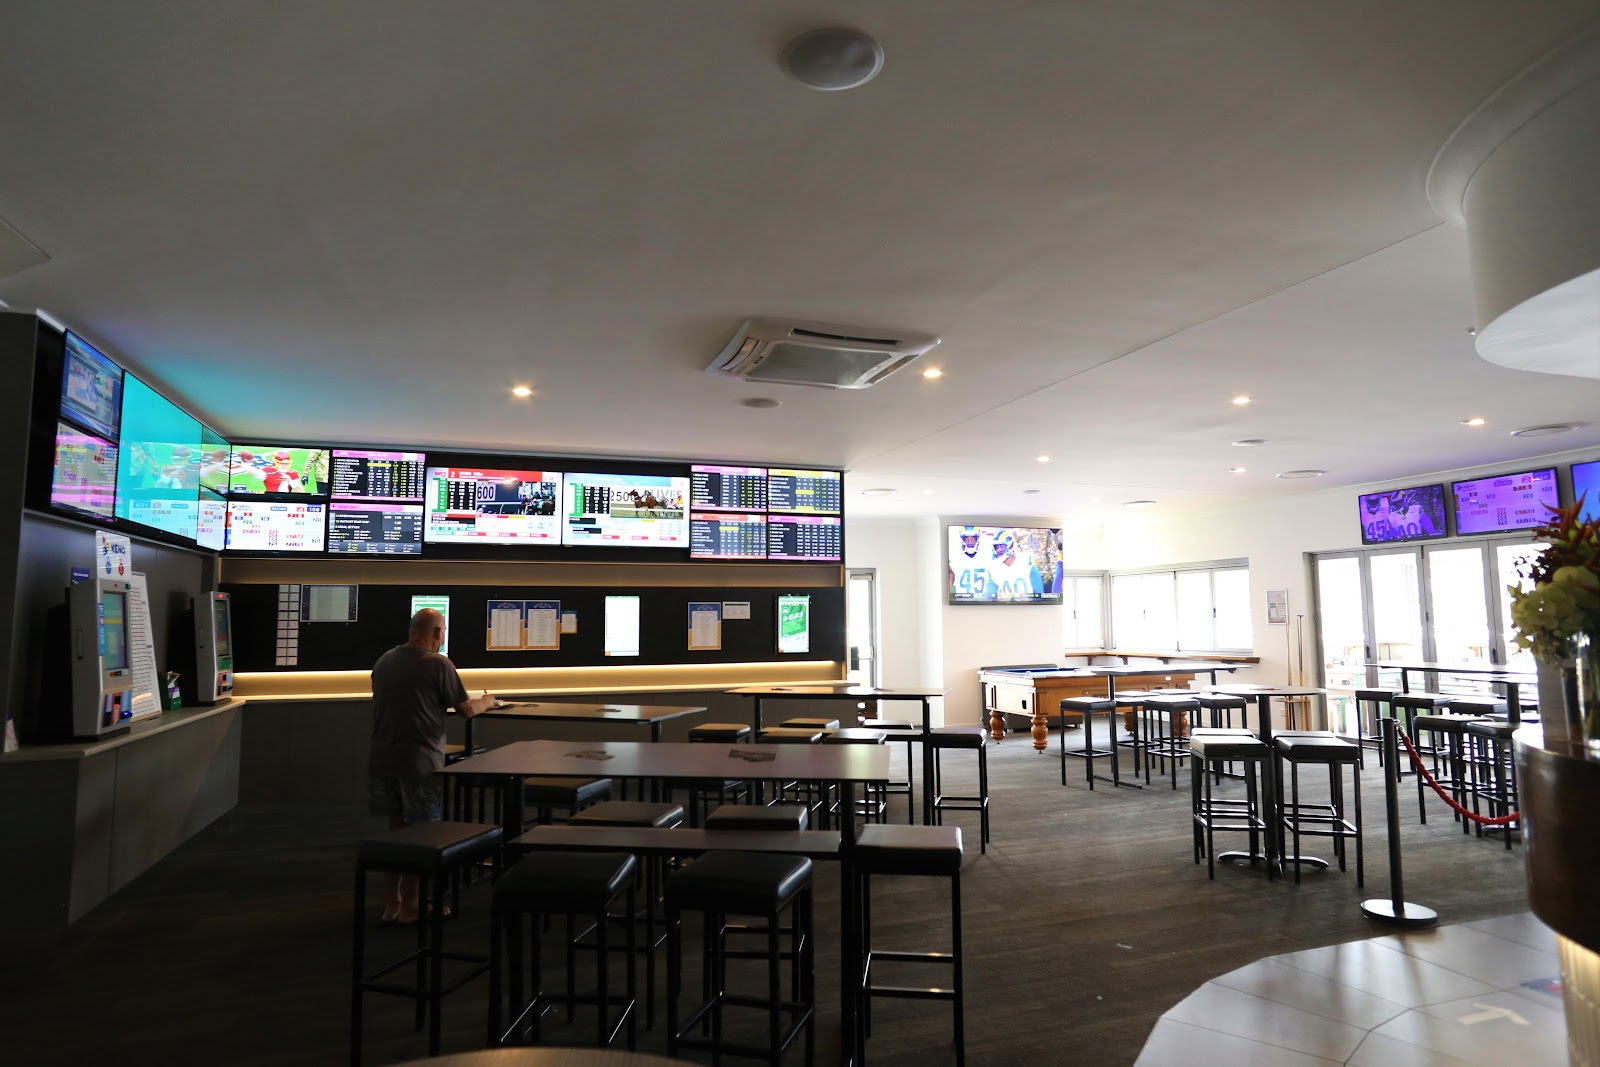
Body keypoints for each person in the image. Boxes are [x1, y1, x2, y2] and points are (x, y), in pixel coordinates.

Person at [367, 607, 496, 923]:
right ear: (438, 632)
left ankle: (392, 904)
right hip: (419, 763)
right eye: (444, 631)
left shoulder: (384, 661)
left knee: (396, 832)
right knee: (422, 835)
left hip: (382, 759)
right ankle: (412, 906)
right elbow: (465, 709)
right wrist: (489, 701)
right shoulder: (439, 664)